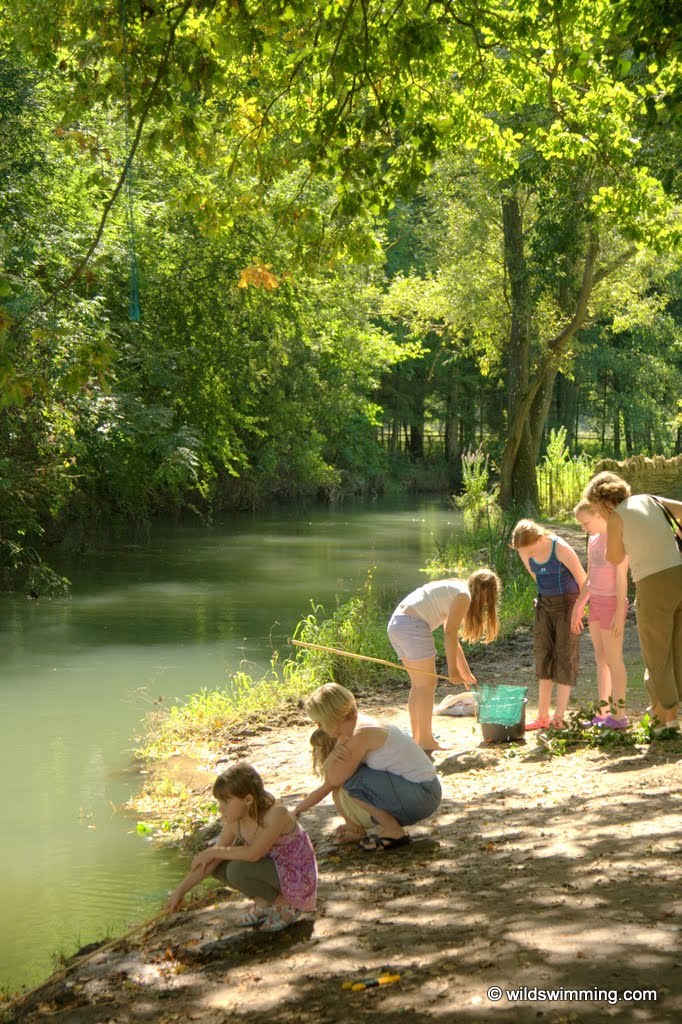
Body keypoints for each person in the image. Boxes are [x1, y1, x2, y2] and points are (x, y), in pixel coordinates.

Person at [583, 471, 682, 733]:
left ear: (604, 502)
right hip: (679, 573)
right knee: (677, 647)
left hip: (652, 582)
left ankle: (666, 719)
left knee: (656, 651)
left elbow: (614, 558)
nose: (599, 514)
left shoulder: (616, 517)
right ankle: (666, 715)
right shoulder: (649, 499)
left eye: (596, 508)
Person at [166, 763, 317, 932]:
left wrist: (214, 851)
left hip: (298, 875)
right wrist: (180, 891)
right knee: (216, 866)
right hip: (272, 869)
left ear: (248, 800)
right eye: (219, 802)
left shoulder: (276, 814)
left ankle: (287, 904)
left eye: (226, 802)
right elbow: (212, 860)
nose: (220, 807)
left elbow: (253, 854)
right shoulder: (234, 821)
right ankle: (264, 902)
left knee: (236, 868)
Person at [302, 682, 442, 850]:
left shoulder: (360, 734)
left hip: (422, 795)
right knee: (347, 783)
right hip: (424, 790)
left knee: (351, 780)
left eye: (319, 723)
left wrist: (331, 759)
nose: (320, 728)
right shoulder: (357, 725)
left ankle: (392, 829)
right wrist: (333, 756)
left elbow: (334, 778)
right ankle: (367, 827)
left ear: (331, 718)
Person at [387, 569, 501, 751]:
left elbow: (452, 638)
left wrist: (464, 672)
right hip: (412, 625)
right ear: (487, 592)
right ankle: (425, 740)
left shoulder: (457, 591)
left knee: (419, 685)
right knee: (426, 685)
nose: (487, 604)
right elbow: (449, 634)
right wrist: (452, 672)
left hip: (397, 625)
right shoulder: (463, 596)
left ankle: (418, 738)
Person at [511, 519, 587, 730]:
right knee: (544, 656)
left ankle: (559, 718)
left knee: (565, 656)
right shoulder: (524, 551)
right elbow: (537, 577)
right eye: (524, 552)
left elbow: (584, 580)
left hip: (568, 605)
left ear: (540, 538)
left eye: (531, 550)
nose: (529, 555)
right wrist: (544, 600)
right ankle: (542, 717)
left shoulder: (560, 548)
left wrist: (579, 611)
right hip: (544, 605)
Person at [571, 499, 629, 728]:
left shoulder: (618, 538)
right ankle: (603, 712)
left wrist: (617, 613)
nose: (584, 528)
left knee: (614, 659)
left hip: (612, 604)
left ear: (598, 515)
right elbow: (590, 575)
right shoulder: (593, 539)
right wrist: (579, 604)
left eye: (585, 522)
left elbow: (622, 577)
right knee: (601, 659)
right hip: (594, 603)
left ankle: (619, 715)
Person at [293, 728, 374, 844]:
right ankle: (353, 823)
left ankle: (355, 829)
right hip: (375, 805)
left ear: (329, 748)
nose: (315, 752)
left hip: (373, 811)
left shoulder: (340, 765)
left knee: (337, 793)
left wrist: (297, 809)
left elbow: (320, 793)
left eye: (318, 748)